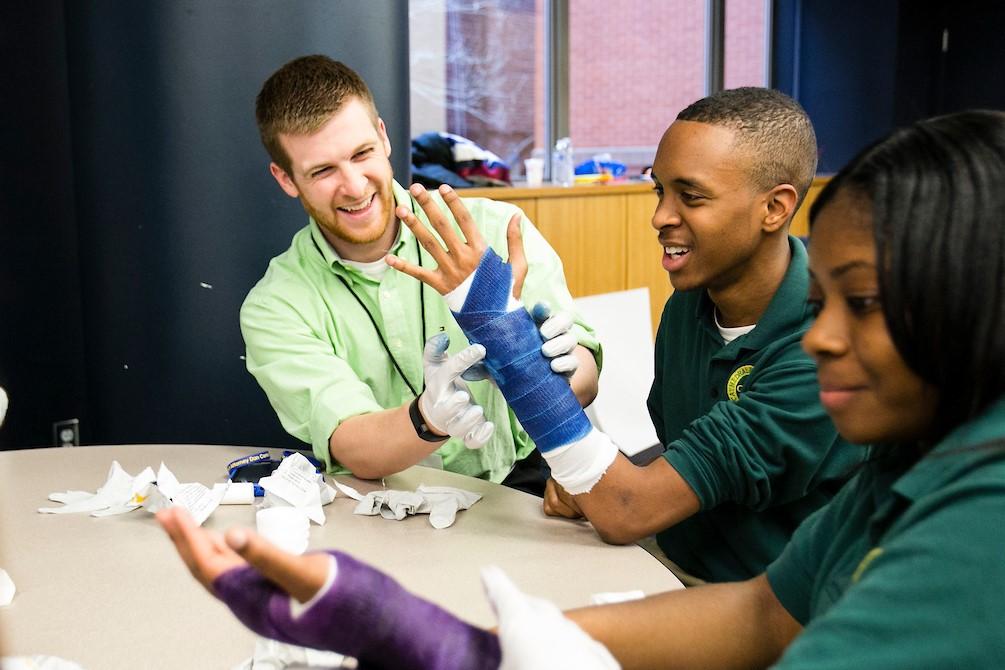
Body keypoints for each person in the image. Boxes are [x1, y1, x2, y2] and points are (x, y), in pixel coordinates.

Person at [162, 109, 1005, 668]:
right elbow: (760, 612)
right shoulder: (882, 454)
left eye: (856, 303)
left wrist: (528, 355)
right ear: (287, 181)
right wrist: (447, 645)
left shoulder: (976, 527)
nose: (823, 335)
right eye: (319, 171)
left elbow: (625, 478)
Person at [394, 88, 859, 583]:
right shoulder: (689, 306)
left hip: (772, 606)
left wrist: (520, 360)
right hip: (669, 558)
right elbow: (678, 461)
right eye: (660, 191)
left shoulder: (822, 351)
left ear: (775, 208)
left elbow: (628, 512)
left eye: (692, 196)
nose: (660, 216)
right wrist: (595, 477)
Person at [241, 55, 600, 492]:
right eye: (323, 170)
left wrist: (550, 369)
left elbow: (585, 380)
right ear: (285, 178)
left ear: (383, 136)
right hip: (383, 503)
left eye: (361, 154)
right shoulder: (276, 304)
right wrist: (427, 417)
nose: (354, 186)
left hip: (522, 484)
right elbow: (352, 445)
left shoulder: (494, 229)